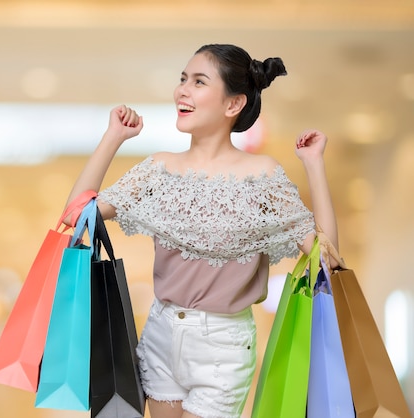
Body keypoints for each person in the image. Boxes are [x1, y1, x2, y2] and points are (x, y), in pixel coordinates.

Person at [63, 43, 339, 418]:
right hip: (161, 332)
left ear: (233, 104)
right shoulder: (160, 168)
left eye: (198, 81)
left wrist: (313, 165)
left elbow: (326, 257)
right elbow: (77, 215)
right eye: (182, 79)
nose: (182, 90)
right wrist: (113, 137)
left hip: (223, 347)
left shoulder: (261, 176)